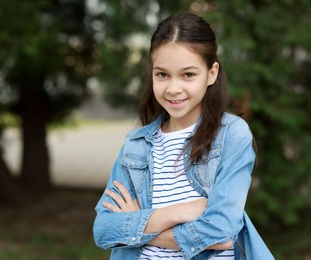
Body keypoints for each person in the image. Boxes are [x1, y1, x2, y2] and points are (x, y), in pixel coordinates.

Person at [93, 12, 274, 260]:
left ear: (211, 73)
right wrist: (176, 213)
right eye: (162, 74)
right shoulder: (136, 145)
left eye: (188, 74)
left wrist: (137, 228)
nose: (173, 88)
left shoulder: (231, 134)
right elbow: (103, 230)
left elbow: (221, 234)